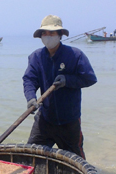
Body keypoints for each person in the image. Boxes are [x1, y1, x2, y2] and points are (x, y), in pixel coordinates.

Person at [22, 15, 97, 159]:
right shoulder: (36, 57)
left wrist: (67, 80)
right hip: (45, 119)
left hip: (69, 121)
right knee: (30, 155)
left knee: (77, 160)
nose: (47, 36)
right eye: (44, 33)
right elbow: (29, 79)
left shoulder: (75, 55)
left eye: (52, 33)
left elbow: (89, 78)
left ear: (60, 35)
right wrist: (31, 98)